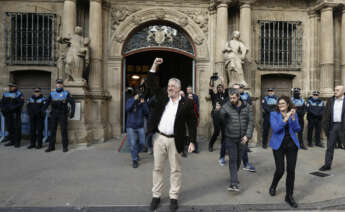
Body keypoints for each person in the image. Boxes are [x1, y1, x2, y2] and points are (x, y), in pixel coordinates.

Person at [145, 58, 196, 212]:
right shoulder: (162, 97)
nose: (170, 88)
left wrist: (192, 141)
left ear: (179, 88)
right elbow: (151, 83)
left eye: (173, 86)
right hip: (159, 138)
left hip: (176, 140)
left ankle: (174, 197)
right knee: (157, 168)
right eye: (169, 86)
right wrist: (154, 65)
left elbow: (192, 122)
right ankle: (156, 196)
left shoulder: (186, 103)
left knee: (175, 170)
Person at [216, 88, 254, 192]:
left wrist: (247, 136)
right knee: (232, 159)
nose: (232, 100)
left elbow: (251, 122)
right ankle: (234, 183)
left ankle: (234, 176)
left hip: (243, 139)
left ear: (238, 96)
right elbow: (220, 119)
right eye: (230, 97)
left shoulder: (247, 106)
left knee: (238, 160)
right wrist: (218, 111)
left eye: (234, 98)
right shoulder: (226, 106)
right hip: (230, 138)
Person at [269, 96, 301, 208]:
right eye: (279, 104)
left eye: (283, 103)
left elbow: (297, 129)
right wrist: (285, 119)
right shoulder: (273, 114)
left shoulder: (293, 114)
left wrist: (292, 118)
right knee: (280, 170)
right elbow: (276, 129)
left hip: (292, 145)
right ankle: (273, 185)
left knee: (291, 170)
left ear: (288, 104)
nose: (280, 105)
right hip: (278, 145)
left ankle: (289, 196)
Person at [44, 79, 75, 152]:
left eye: (60, 84)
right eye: (58, 83)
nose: (59, 85)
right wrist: (42, 109)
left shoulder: (66, 93)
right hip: (54, 114)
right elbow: (47, 103)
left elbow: (72, 103)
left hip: (62, 114)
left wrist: (72, 112)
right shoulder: (52, 94)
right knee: (52, 130)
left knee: (63, 131)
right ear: (56, 84)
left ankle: (65, 147)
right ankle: (51, 146)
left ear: (62, 85)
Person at [319, 85, 345, 171]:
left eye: (337, 90)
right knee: (329, 147)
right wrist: (325, 125)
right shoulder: (330, 100)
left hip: (343, 126)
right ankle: (327, 165)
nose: (335, 91)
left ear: (343, 91)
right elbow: (326, 114)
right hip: (333, 126)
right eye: (335, 90)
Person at [232, 83, 255, 172]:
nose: (237, 91)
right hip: (232, 130)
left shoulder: (245, 102)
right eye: (234, 89)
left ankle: (245, 164)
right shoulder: (228, 101)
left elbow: (250, 119)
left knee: (244, 147)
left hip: (243, 130)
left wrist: (247, 134)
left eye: (238, 89)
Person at [125, 91, 149, 168]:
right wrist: (134, 100)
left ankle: (135, 153)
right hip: (131, 126)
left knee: (142, 143)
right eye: (138, 95)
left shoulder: (142, 102)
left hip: (140, 126)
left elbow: (147, 112)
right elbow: (127, 109)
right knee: (133, 144)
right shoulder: (130, 100)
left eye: (140, 95)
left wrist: (144, 103)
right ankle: (134, 160)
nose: (139, 97)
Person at [1, 83, 24, 148]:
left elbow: (20, 103)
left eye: (12, 86)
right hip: (7, 113)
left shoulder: (19, 94)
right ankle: (11, 141)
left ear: (15, 87)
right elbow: (2, 102)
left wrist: (12, 108)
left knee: (16, 128)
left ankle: (17, 142)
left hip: (15, 114)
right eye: (10, 86)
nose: (10, 88)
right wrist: (3, 109)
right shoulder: (6, 93)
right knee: (9, 127)